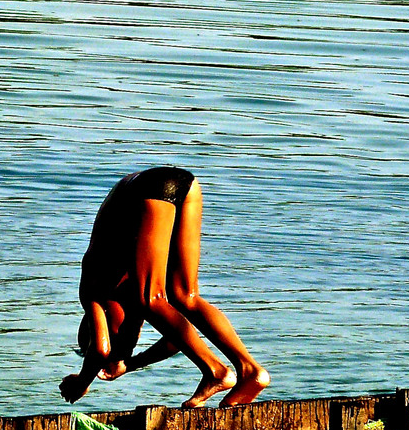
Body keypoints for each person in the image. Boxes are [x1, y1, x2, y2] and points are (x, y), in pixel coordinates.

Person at [59, 167, 268, 409]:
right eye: (130, 342)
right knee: (185, 296)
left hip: (149, 188)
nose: (131, 334)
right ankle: (251, 371)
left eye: (120, 338)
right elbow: (176, 339)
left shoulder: (93, 292)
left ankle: (216, 371)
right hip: (183, 185)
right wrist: (130, 364)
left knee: (151, 298)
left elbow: (100, 350)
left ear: (99, 322)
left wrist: (82, 381)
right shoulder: (133, 304)